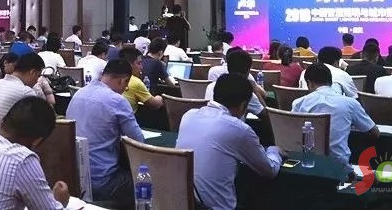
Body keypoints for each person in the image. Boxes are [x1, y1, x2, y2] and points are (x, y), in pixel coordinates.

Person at [177, 74, 283, 210]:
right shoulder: (239, 129)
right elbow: (269, 170)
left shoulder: (188, 115)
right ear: (243, 105)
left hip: (184, 204)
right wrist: (274, 150)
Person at [66, 60, 144, 208]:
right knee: (146, 181)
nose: (126, 88)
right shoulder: (117, 101)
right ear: (123, 80)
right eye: (126, 85)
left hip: (75, 178)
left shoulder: (78, 93)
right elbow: (138, 140)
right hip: (104, 181)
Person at [292, 63, 379, 170]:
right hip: (340, 168)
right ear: (331, 82)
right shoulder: (351, 103)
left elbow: (293, 136)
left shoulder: (299, 103)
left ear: (309, 83)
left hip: (307, 165)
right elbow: (374, 133)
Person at [0, 53, 46, 135]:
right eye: (38, 76)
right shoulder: (26, 92)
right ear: (33, 72)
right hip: (4, 140)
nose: (37, 81)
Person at [204, 50, 266, 118]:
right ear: (248, 72)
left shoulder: (210, 86)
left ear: (228, 67)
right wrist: (256, 92)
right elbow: (266, 115)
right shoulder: (246, 92)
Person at [120, 47, 162, 113]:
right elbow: (155, 105)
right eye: (139, 63)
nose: (141, 67)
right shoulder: (135, 82)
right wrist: (160, 97)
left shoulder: (110, 77)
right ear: (129, 65)